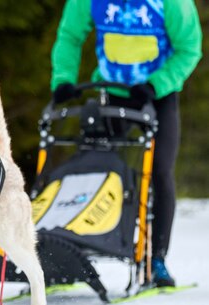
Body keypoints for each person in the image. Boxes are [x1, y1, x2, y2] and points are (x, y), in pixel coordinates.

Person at [50, 0, 202, 287]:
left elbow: (189, 47)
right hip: (110, 91)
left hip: (157, 94)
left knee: (160, 172)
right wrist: (63, 79)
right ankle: (74, 247)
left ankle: (156, 259)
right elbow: (70, 35)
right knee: (93, 167)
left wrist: (157, 84)